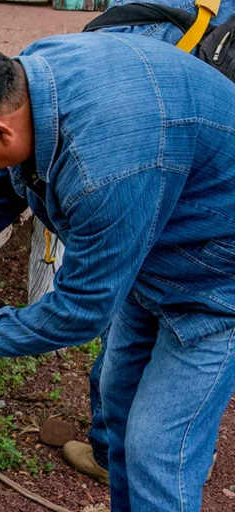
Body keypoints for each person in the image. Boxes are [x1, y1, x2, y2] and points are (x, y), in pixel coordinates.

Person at [0, 33, 235, 511]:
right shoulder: (25, 82)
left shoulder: (103, 170)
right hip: (150, 258)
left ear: (0, 132)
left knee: (158, 448)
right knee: (117, 407)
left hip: (215, 285)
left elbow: (80, 311)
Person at [59, 0, 235, 484]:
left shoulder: (163, 25)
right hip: (170, 243)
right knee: (120, 385)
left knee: (158, 449)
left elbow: (80, 307)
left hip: (208, 272)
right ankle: (114, 450)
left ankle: (147, 456)